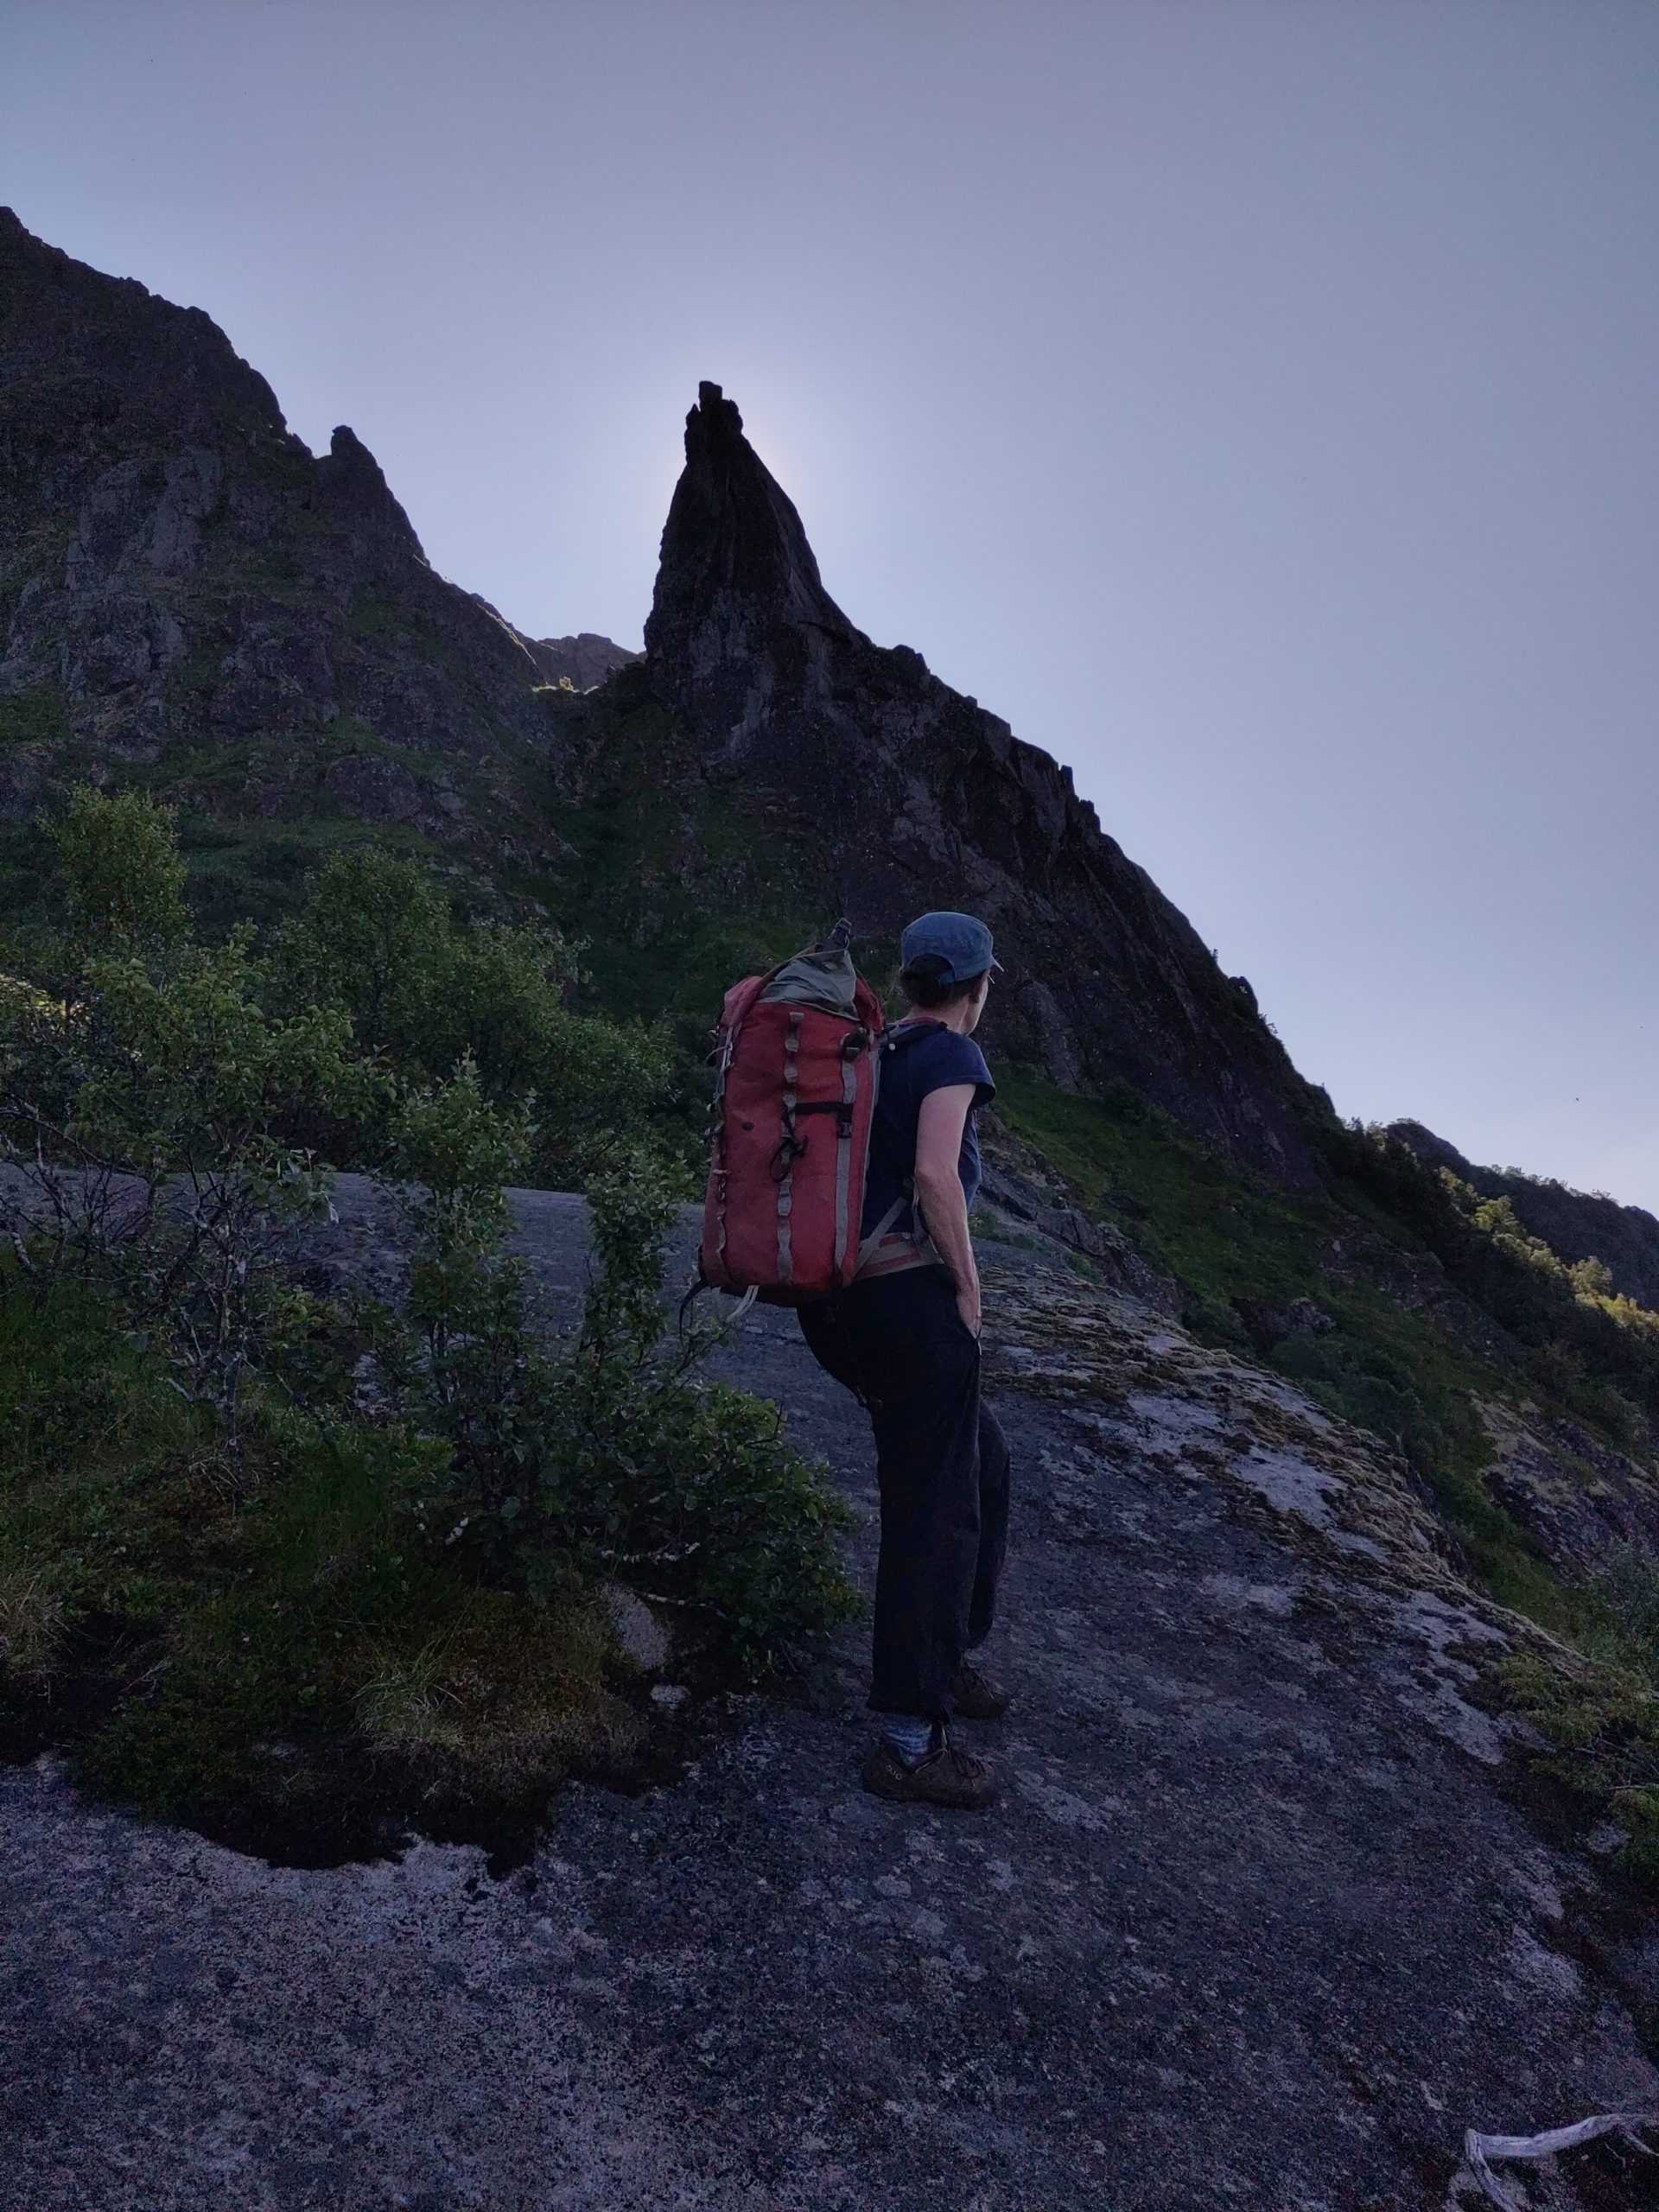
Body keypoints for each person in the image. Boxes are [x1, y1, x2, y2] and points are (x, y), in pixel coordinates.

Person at [798, 911, 1012, 1809]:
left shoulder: (870, 1049)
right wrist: (966, 1288)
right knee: (934, 1510)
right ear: (976, 988)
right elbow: (933, 1177)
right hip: (906, 1302)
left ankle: (946, 1655)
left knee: (982, 1465)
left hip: (838, 1306)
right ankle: (907, 1739)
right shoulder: (952, 1055)